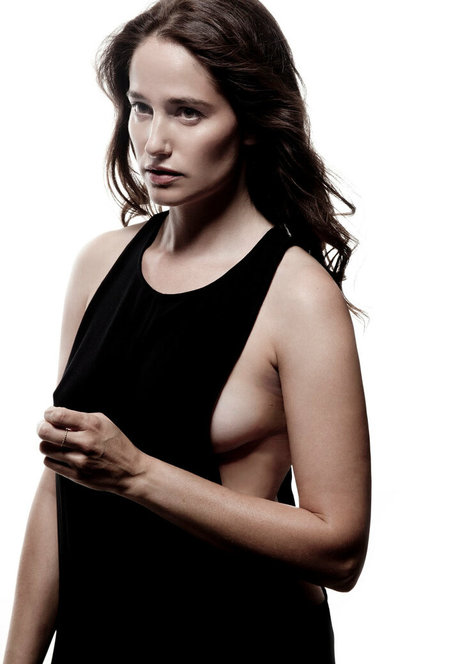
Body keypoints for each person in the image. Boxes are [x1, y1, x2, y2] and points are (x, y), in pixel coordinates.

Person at [3, 0, 371, 662]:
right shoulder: (99, 264)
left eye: (188, 113)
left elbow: (339, 550)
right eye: (141, 108)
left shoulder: (297, 296)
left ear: (250, 123)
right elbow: (61, 485)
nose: (154, 142)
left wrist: (138, 474)